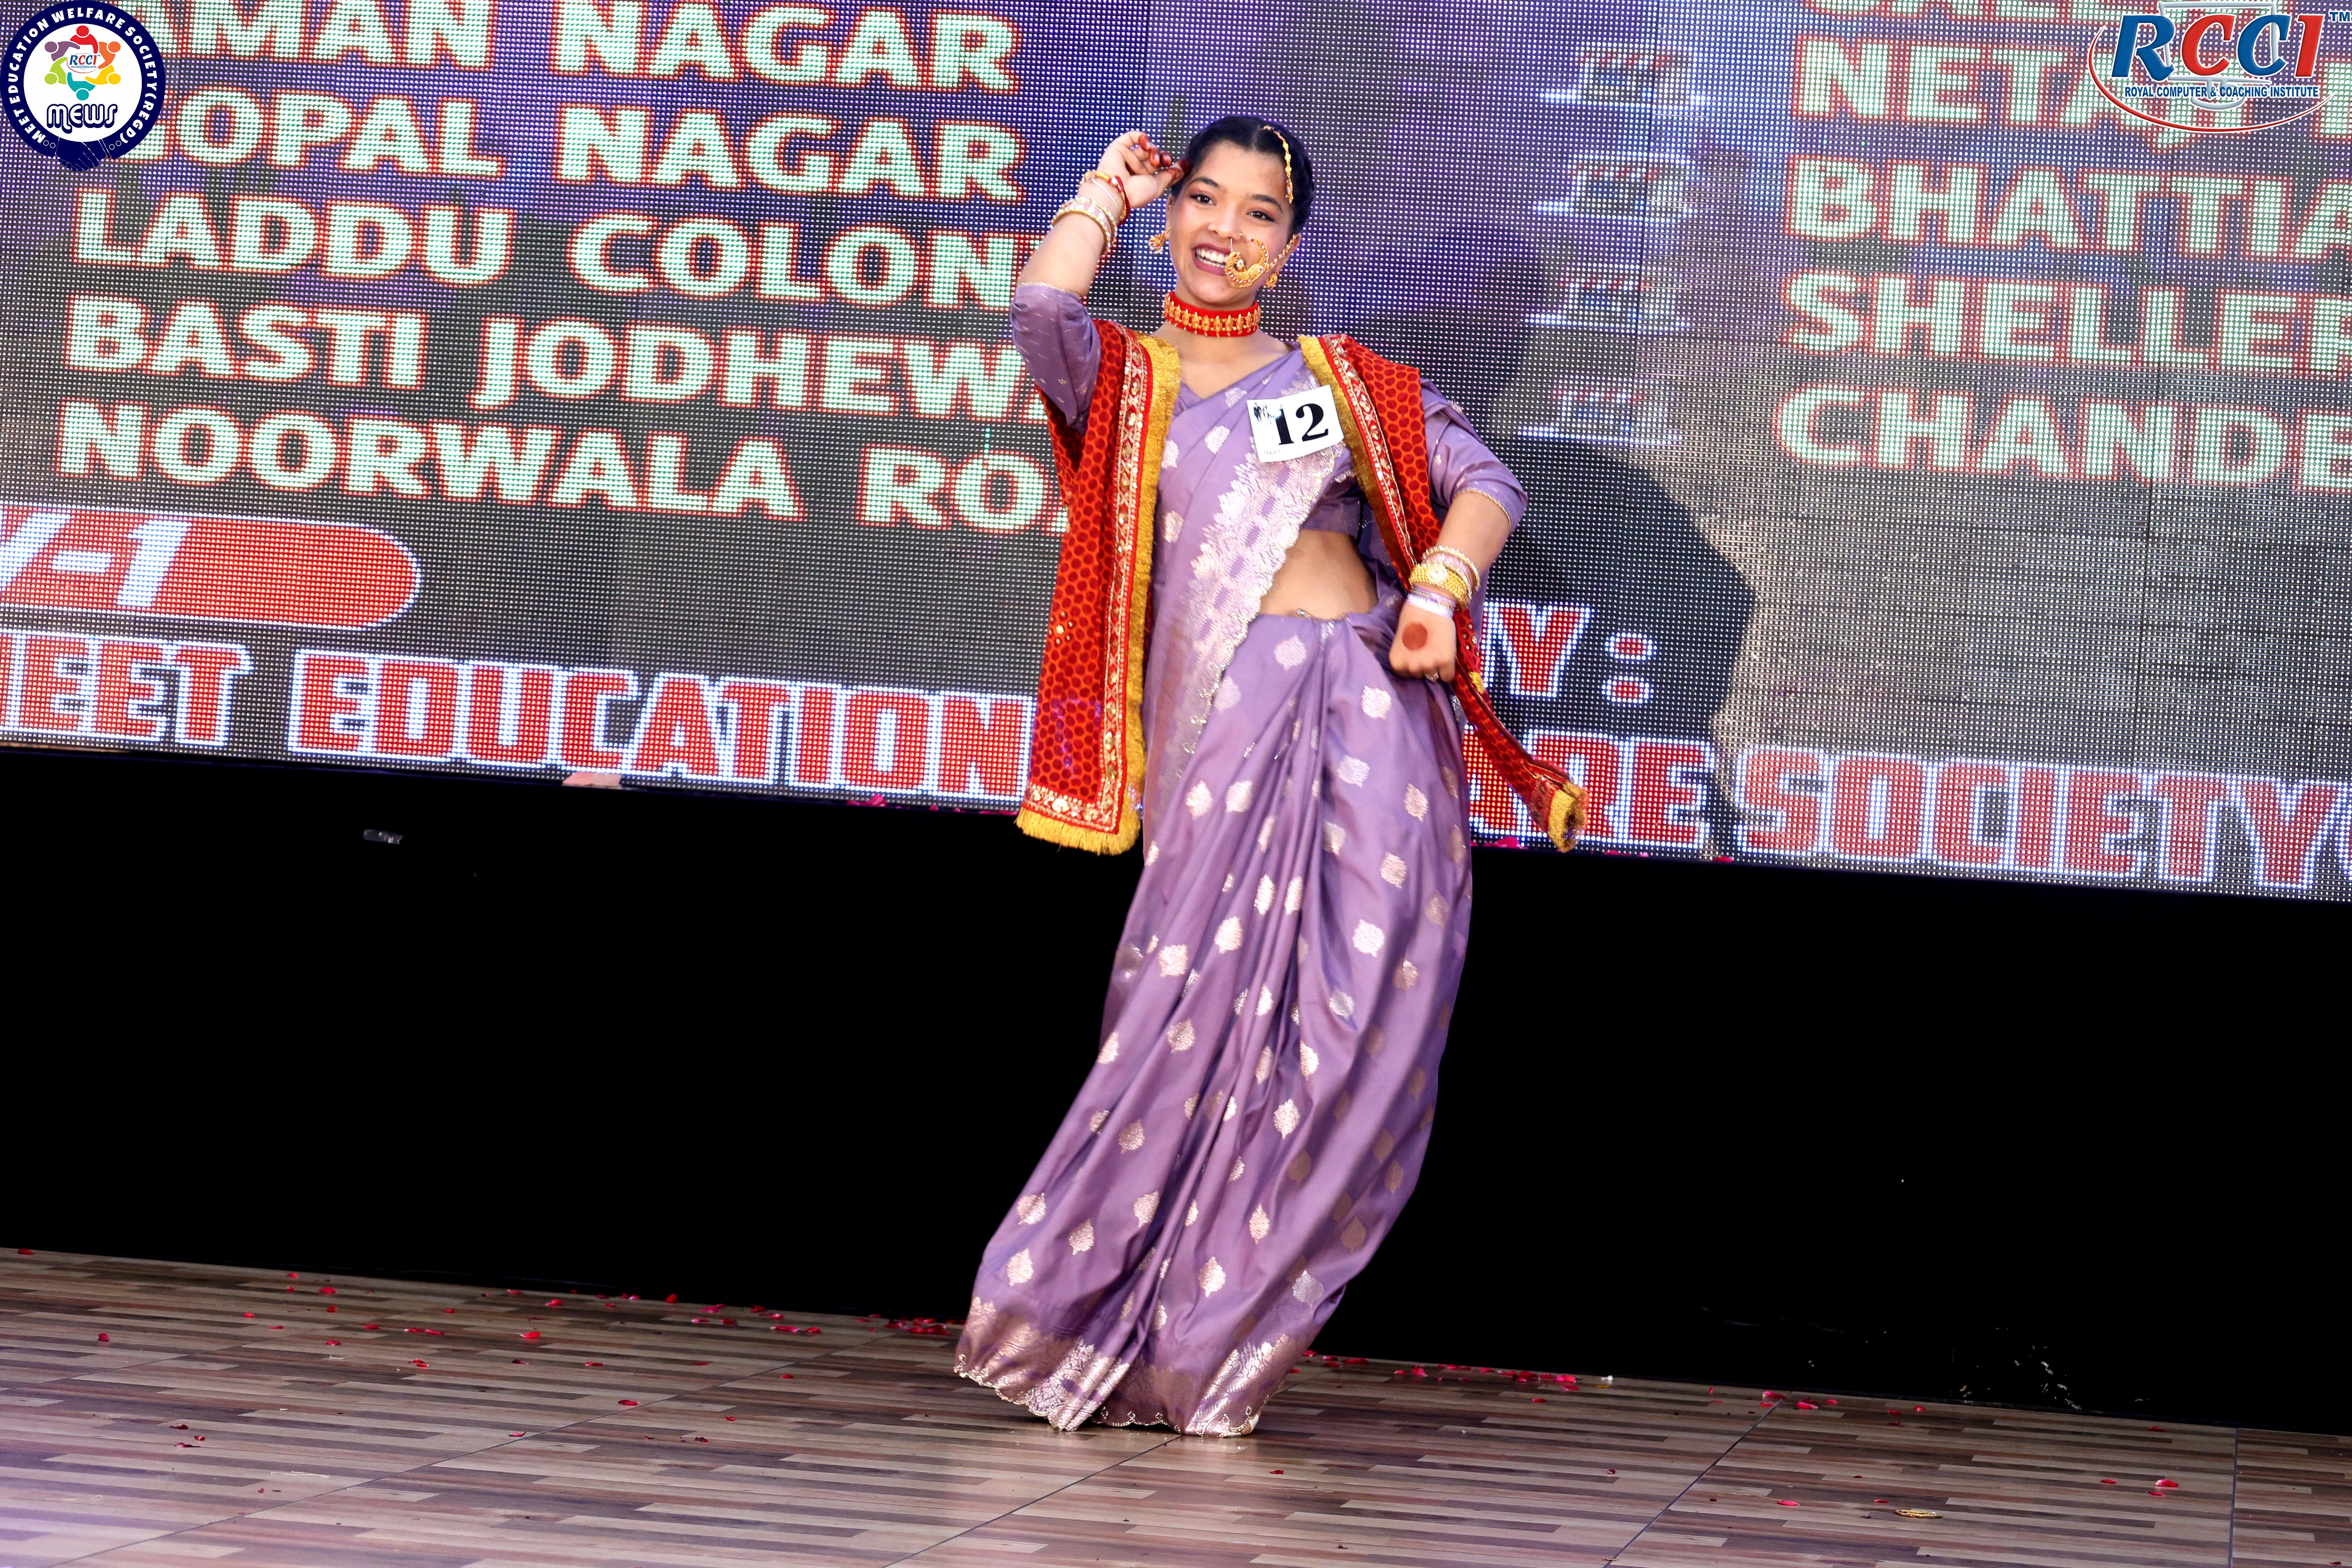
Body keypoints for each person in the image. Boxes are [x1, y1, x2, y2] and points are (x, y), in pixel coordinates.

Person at [953, 116, 1584, 1436]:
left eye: (1258, 214)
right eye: (1204, 199)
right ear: (1172, 211)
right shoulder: (1123, 380)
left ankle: (1215, 1340)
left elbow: (1485, 483)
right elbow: (1041, 306)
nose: (1224, 230)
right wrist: (1104, 193)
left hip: (1375, 714)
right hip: (1225, 731)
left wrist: (1440, 591)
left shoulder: (1339, 383)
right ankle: (1072, 1311)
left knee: (1362, 1030)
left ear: (1288, 250)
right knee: (1176, 1022)